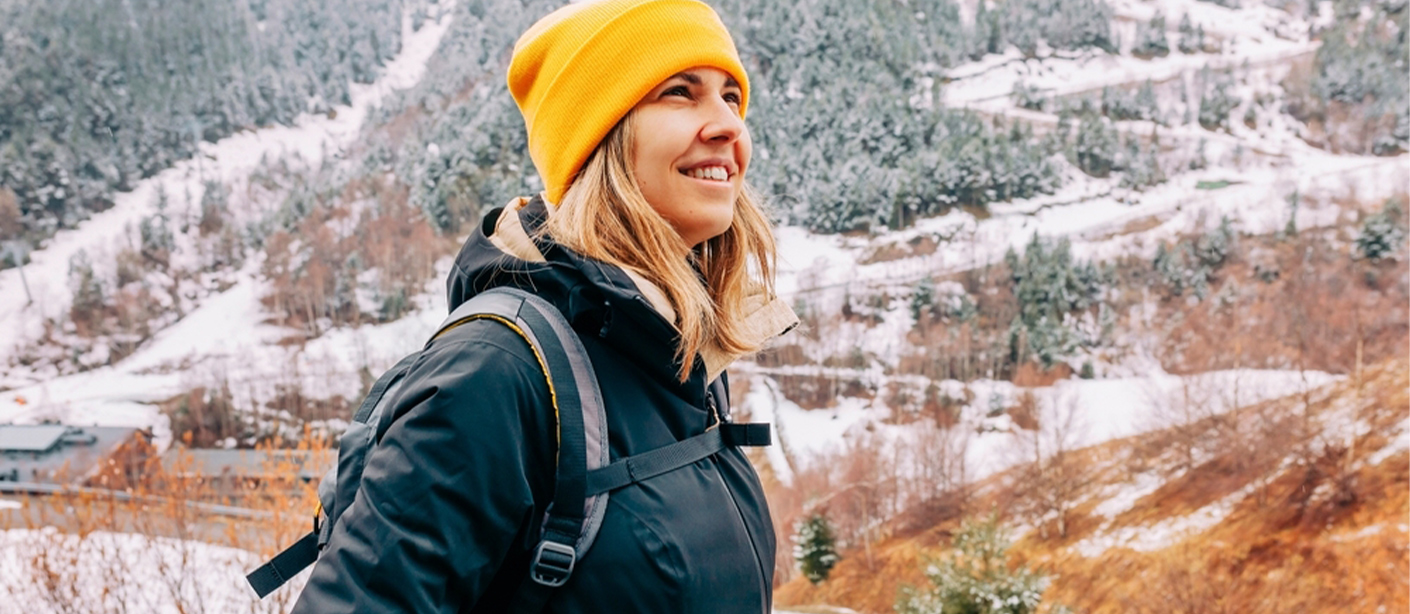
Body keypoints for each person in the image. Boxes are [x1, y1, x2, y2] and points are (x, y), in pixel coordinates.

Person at [290, 0, 797, 611]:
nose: (727, 126)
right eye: (679, 92)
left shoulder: (678, 346)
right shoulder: (494, 376)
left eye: (731, 98)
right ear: (597, 140)